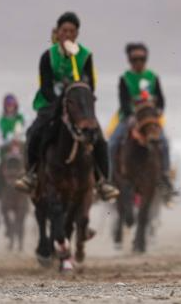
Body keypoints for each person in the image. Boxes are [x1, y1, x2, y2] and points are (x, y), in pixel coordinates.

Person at [14, 12, 119, 201]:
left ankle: (103, 181)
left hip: (78, 106)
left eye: (72, 31)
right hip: (50, 104)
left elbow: (90, 84)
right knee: (34, 132)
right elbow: (45, 86)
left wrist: (77, 93)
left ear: (77, 33)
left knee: (99, 138)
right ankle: (31, 174)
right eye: (64, 30)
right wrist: (59, 103)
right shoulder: (48, 56)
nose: (68, 34)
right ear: (58, 32)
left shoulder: (85, 56)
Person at [108, 42, 177, 199]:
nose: (138, 62)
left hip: (150, 118)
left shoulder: (153, 77)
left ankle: (165, 177)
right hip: (130, 118)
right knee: (112, 142)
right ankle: (110, 177)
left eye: (142, 59)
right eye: (135, 59)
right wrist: (131, 116)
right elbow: (124, 102)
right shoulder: (125, 79)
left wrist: (157, 112)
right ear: (129, 60)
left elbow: (161, 101)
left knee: (164, 142)